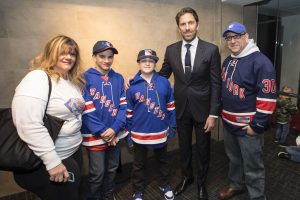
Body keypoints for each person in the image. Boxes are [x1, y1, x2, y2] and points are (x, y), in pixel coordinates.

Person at [11, 35, 86, 200]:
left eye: (73, 54)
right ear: (51, 54)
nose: (69, 57)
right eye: (63, 53)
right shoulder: (37, 78)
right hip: (52, 158)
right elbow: (28, 123)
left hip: (72, 151)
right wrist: (52, 162)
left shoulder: (72, 81)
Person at [159, 7, 222, 200]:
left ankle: (202, 183)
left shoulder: (211, 50)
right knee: (184, 148)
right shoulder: (171, 50)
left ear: (197, 25)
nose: (187, 27)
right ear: (178, 28)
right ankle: (187, 177)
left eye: (190, 23)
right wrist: (139, 78)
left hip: (203, 111)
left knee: (203, 149)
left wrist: (213, 114)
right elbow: (162, 76)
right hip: (181, 109)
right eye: (183, 24)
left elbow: (215, 83)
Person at [218, 22, 277, 200]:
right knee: (234, 160)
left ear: (246, 36)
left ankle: (257, 196)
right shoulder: (228, 61)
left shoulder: (261, 62)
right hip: (228, 124)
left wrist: (257, 125)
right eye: (229, 38)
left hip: (248, 127)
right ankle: (236, 186)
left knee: (253, 166)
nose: (232, 41)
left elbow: (268, 99)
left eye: (236, 36)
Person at [126, 49, 176, 200]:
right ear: (138, 63)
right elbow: (128, 113)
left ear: (155, 63)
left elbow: (171, 107)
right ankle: (137, 190)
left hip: (160, 132)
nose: (147, 63)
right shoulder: (132, 85)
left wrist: (172, 126)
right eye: (143, 60)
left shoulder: (164, 82)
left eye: (151, 60)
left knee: (163, 161)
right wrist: (128, 135)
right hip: (139, 134)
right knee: (138, 165)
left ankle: (165, 184)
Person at [81, 40, 127, 200]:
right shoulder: (84, 78)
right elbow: (86, 110)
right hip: (94, 135)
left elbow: (124, 107)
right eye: (102, 56)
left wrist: (114, 129)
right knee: (97, 173)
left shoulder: (118, 78)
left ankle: (108, 195)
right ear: (94, 56)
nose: (106, 60)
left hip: (115, 133)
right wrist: (103, 131)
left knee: (112, 168)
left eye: (110, 57)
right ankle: (94, 197)